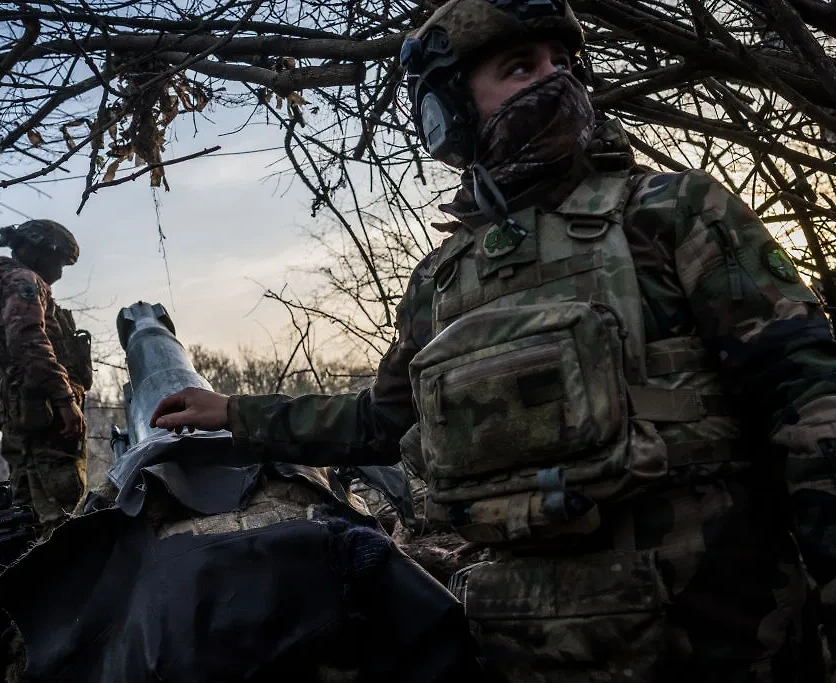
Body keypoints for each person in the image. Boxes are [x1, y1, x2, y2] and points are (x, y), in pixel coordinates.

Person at [148, 0, 836, 680]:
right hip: (525, 644)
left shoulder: (672, 210)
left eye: (564, 62)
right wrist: (235, 414)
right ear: (448, 111)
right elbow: (380, 421)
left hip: (727, 637)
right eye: (518, 66)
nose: (554, 78)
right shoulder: (440, 281)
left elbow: (807, 399)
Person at [0, 219, 92, 536]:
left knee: (27, 517)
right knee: (57, 515)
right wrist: (64, 400)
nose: (61, 272)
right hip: (43, 416)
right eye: (59, 261)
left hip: (23, 418)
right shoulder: (23, 281)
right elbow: (28, 341)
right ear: (39, 252)